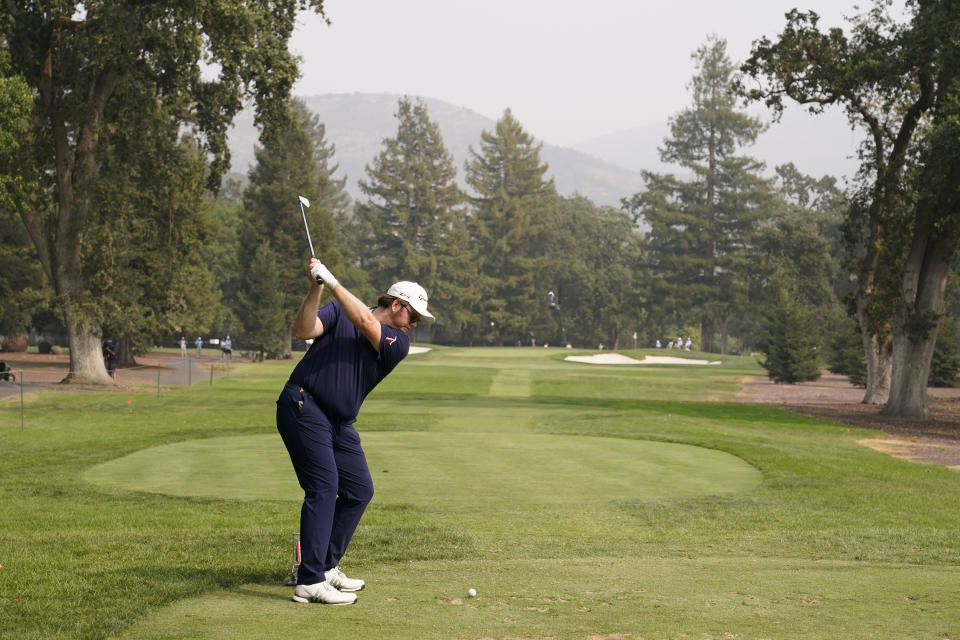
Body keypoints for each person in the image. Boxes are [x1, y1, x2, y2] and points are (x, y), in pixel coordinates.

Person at [277, 257, 432, 606]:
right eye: (414, 316)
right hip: (303, 405)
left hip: (338, 423)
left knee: (359, 489)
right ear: (396, 305)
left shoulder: (396, 342)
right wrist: (316, 287)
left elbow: (362, 319)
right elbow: (304, 330)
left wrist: (330, 280)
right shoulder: (338, 310)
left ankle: (324, 564)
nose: (415, 324)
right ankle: (310, 581)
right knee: (324, 486)